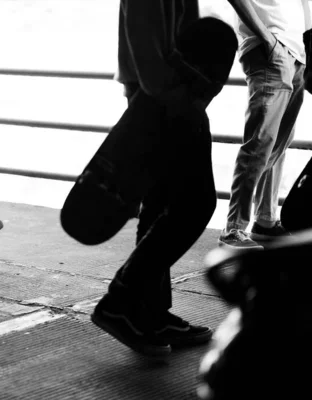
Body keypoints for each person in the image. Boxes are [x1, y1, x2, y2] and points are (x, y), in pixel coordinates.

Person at [90, 1, 238, 357]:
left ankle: (149, 313)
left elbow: (181, 41)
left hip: (168, 96)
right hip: (161, 101)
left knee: (160, 207)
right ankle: (120, 301)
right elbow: (151, 61)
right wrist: (190, 102)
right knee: (194, 204)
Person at [218, 0, 311, 250]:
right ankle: (233, 229)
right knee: (261, 141)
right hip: (270, 45)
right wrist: (267, 39)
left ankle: (265, 221)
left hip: (296, 51)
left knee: (279, 143)